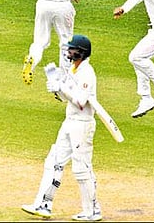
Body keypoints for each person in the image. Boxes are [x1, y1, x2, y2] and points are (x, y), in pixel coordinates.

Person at [22, 34, 102, 222]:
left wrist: (62, 87)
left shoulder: (87, 73)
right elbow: (68, 97)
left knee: (81, 168)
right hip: (69, 121)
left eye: (72, 49)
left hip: (82, 125)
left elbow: (81, 101)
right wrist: (57, 87)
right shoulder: (73, 70)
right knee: (54, 161)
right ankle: (43, 205)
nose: (69, 51)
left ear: (81, 52)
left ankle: (92, 211)